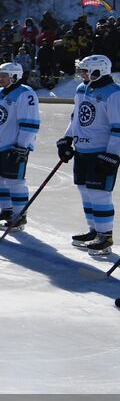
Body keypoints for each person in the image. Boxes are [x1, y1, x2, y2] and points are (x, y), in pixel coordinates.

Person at [58, 55, 120, 254]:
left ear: (98, 71)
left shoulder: (114, 93)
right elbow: (76, 117)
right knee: (85, 191)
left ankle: (105, 236)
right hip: (82, 151)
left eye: (86, 71)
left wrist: (112, 154)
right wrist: (67, 139)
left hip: (101, 153)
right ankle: (94, 230)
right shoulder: (82, 89)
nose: (82, 74)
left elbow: (118, 128)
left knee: (99, 194)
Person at [0, 62, 41, 228]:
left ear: (15, 77)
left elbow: (30, 123)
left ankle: (19, 215)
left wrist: (22, 145)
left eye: (4, 75)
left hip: (13, 146)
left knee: (15, 181)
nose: (0, 78)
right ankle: (6, 210)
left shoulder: (25, 94)